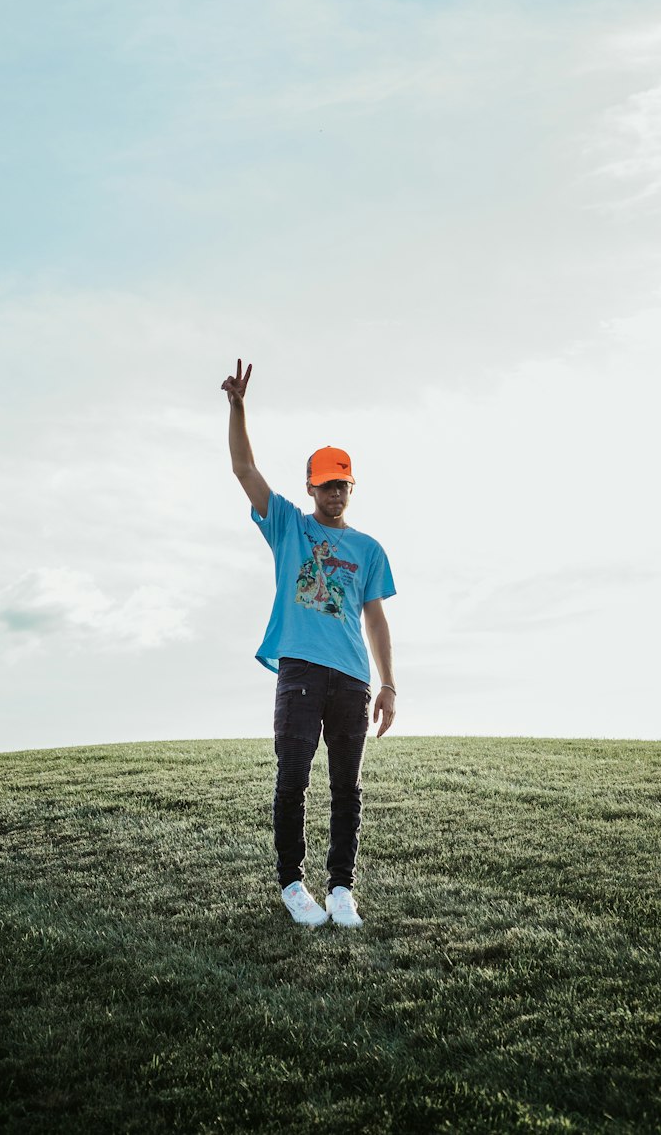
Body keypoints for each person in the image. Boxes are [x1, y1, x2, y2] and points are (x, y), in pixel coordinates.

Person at [221, 358, 397, 929]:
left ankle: (342, 887)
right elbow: (245, 469)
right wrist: (239, 408)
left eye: (341, 483)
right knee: (292, 774)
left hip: (352, 676)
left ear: (351, 486)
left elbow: (375, 620)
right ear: (310, 487)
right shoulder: (290, 527)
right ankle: (293, 884)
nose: (334, 492)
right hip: (299, 667)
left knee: (347, 785)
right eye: (324, 484)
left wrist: (388, 684)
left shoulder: (369, 550)